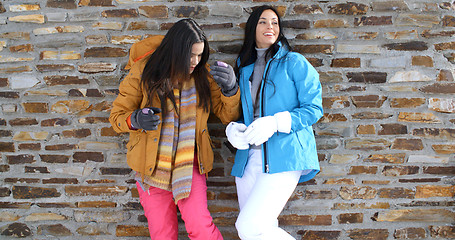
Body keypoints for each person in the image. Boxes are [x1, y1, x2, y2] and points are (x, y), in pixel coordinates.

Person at [109, 18, 240, 240]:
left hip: (190, 164)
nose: (195, 61)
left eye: (200, 55)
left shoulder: (203, 75)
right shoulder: (145, 70)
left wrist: (231, 89)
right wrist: (137, 120)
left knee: (200, 227)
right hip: (150, 167)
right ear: (176, 49)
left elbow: (227, 115)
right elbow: (117, 117)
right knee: (163, 234)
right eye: (190, 55)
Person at [225, 5, 323, 240]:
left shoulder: (294, 62)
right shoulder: (244, 67)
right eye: (263, 22)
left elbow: (314, 108)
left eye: (275, 22)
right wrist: (234, 129)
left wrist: (275, 123)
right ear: (252, 28)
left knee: (248, 226)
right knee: (257, 233)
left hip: (285, 155)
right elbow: (247, 113)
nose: (270, 27)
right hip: (248, 158)